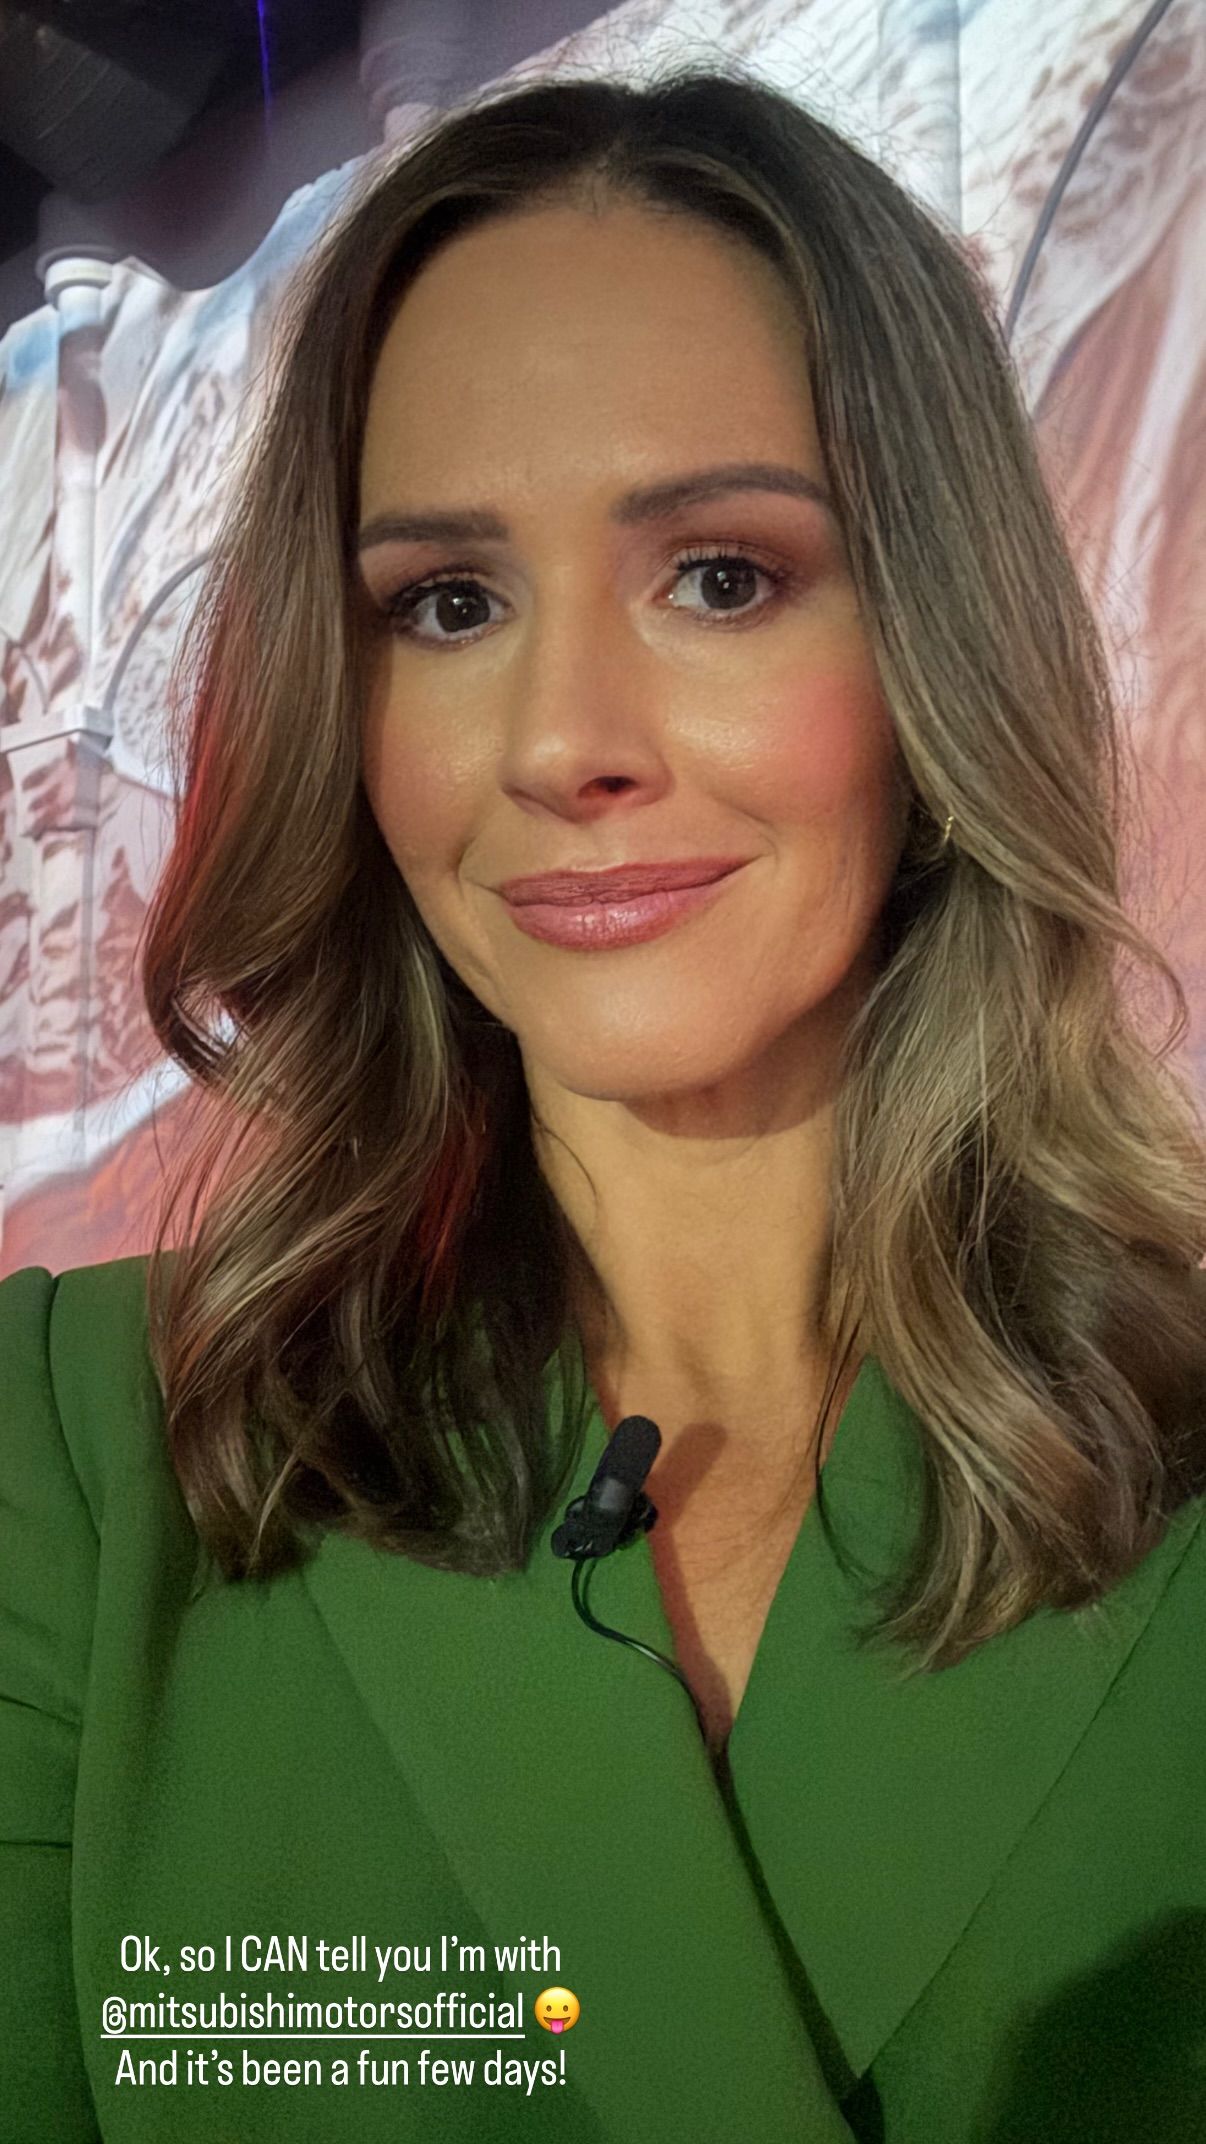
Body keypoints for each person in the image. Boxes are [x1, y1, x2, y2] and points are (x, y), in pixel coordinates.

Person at [3, 60, 1206, 2144]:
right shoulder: (72, 1454)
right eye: (447, 605)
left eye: (719, 575)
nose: (562, 740)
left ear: (932, 647)